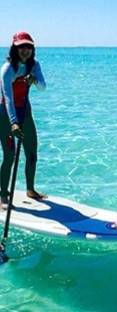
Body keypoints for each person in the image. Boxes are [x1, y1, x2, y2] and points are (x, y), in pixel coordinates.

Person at [0, 32, 46, 210]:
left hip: (25, 113)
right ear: (15, 48)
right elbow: (8, 98)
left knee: (32, 154)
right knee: (9, 156)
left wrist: (34, 81)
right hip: (5, 115)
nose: (25, 50)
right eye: (21, 47)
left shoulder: (34, 65)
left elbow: (43, 87)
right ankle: (3, 195)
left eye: (28, 47)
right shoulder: (7, 69)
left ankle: (30, 189)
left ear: (32, 49)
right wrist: (13, 122)